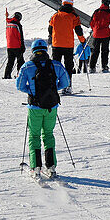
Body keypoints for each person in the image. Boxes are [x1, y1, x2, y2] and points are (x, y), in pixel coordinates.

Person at [15, 39, 71, 178]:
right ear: (46, 50)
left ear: (33, 51)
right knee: (48, 134)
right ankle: (51, 167)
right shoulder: (56, 65)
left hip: (35, 107)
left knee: (34, 136)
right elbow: (65, 82)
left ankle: (36, 167)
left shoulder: (27, 67)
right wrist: (51, 91)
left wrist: (33, 92)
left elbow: (19, 86)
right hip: (51, 106)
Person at [48, 0, 83, 95]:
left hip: (56, 45)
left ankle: (54, 86)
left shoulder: (55, 16)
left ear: (63, 4)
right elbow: (78, 30)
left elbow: (50, 29)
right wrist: (82, 41)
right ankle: (67, 86)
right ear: (71, 4)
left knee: (55, 65)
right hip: (68, 45)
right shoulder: (74, 16)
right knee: (68, 66)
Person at [88, 0, 110, 73]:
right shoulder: (109, 12)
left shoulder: (96, 11)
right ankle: (104, 66)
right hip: (105, 34)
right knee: (105, 51)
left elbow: (91, 23)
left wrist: (94, 29)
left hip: (96, 34)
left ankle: (92, 67)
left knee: (95, 51)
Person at [3, 11, 25, 79]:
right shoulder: (18, 25)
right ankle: (19, 75)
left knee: (10, 62)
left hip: (9, 46)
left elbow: (7, 36)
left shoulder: (8, 24)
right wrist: (22, 46)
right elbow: (20, 37)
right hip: (17, 46)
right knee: (20, 61)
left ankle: (7, 75)